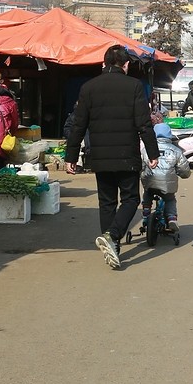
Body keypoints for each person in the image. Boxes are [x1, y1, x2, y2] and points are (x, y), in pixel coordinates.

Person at [65, 46, 160, 270]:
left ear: (104, 63)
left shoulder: (88, 87)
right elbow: (144, 123)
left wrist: (71, 155)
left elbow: (78, 125)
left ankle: (113, 247)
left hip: (100, 155)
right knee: (131, 199)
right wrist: (153, 152)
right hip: (127, 154)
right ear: (125, 65)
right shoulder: (134, 86)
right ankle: (113, 235)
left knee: (107, 202)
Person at [141, 122, 191, 232]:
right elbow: (184, 170)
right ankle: (172, 218)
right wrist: (183, 174)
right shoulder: (176, 150)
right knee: (170, 199)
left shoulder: (146, 150)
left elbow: (141, 165)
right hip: (167, 184)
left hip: (150, 181)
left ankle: (146, 214)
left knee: (147, 194)